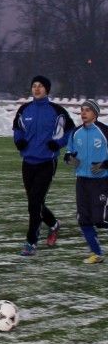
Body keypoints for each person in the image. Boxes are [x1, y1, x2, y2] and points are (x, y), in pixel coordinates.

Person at [12, 75, 75, 256]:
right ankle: (54, 224)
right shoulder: (24, 109)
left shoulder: (57, 111)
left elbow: (71, 131)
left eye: (40, 86)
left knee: (34, 203)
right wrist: (19, 142)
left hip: (47, 163)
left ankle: (31, 242)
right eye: (34, 86)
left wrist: (59, 143)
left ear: (47, 89)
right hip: (28, 162)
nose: (37, 89)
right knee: (35, 202)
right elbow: (17, 129)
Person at [64, 99, 108, 264]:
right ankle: (97, 254)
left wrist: (104, 165)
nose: (83, 113)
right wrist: (69, 159)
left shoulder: (104, 131)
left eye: (87, 110)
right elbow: (69, 154)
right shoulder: (76, 133)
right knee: (83, 219)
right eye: (81, 110)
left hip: (101, 182)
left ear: (95, 113)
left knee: (100, 220)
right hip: (81, 182)